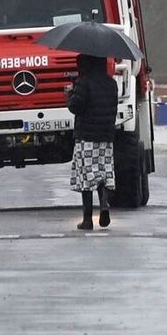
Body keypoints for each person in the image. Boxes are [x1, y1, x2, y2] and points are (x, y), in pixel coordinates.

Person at [67, 53, 118, 230]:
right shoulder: (111, 84)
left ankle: (87, 219)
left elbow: (76, 107)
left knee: (86, 177)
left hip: (86, 137)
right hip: (106, 137)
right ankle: (104, 203)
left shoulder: (83, 82)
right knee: (102, 172)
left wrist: (70, 94)